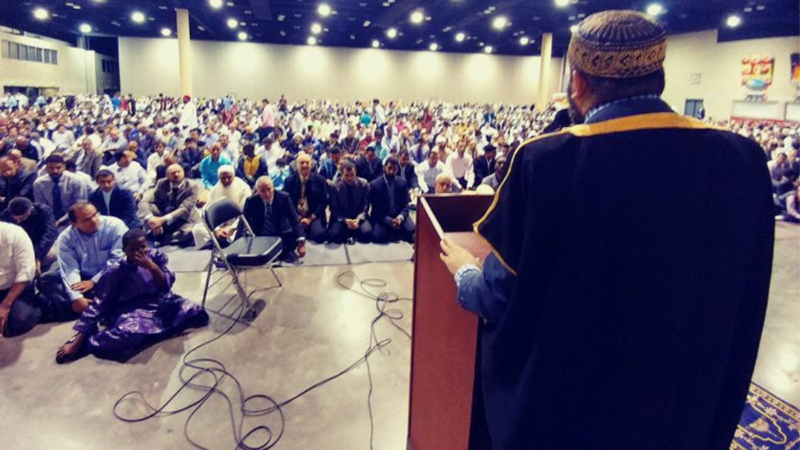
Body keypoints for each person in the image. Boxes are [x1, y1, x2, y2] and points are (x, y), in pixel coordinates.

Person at [438, 11, 774, 450]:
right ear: (661, 79)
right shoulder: (742, 159)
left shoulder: (548, 162)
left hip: (577, 412)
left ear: (577, 83)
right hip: (682, 404)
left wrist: (465, 274)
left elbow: (502, 300)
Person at [55, 229, 209, 364]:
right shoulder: (115, 271)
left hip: (159, 302)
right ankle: (89, 341)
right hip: (131, 310)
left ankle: (151, 334)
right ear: (124, 250)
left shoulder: (156, 257)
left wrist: (152, 267)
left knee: (195, 311)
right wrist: (78, 340)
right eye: (132, 249)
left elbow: (166, 285)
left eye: (142, 247)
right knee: (127, 333)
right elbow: (99, 304)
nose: (139, 253)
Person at [37, 202, 128, 322]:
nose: (94, 220)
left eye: (95, 215)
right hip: (83, 276)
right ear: (74, 224)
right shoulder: (65, 238)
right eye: (87, 219)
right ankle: (82, 305)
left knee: (121, 282)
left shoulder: (115, 225)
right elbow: (70, 268)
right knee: (45, 279)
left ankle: (72, 308)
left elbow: (118, 259)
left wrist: (93, 281)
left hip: (109, 274)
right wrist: (76, 297)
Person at [241, 176, 306, 261]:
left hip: (281, 234)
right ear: (257, 191)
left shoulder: (284, 197)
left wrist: (301, 242)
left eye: (269, 189)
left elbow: (294, 219)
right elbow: (243, 222)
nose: (267, 194)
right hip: (261, 236)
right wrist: (238, 243)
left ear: (273, 187)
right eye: (262, 191)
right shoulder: (251, 202)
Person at [139, 164, 201, 247]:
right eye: (172, 173)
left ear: (183, 172)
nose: (176, 174)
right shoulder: (162, 183)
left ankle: (163, 235)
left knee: (187, 233)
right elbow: (145, 201)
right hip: (164, 214)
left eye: (179, 172)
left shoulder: (192, 186)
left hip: (184, 218)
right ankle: (159, 230)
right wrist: (151, 218)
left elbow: (184, 209)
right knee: (149, 208)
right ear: (167, 176)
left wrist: (162, 220)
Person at [192, 165, 250, 249]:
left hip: (237, 224)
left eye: (229, 177)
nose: (226, 180)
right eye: (223, 178)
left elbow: (245, 213)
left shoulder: (244, 188)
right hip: (219, 225)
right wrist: (217, 230)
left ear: (234, 175)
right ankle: (220, 240)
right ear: (219, 178)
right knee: (197, 229)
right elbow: (207, 212)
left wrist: (232, 228)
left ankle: (222, 242)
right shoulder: (214, 190)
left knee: (240, 233)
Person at [0, 221, 39, 337]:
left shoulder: (16, 234)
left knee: (18, 321)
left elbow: (25, 274)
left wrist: (5, 306)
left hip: (16, 287)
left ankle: (40, 303)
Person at [33, 153, 90, 230]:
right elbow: (41, 206)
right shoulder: (39, 183)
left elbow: (80, 204)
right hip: (49, 220)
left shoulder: (76, 181)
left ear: (64, 166)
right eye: (51, 168)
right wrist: (51, 222)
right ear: (46, 168)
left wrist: (60, 221)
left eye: (58, 167)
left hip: (73, 219)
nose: (55, 171)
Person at [1, 197, 58, 273]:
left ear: (30, 210)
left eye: (21, 218)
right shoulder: (6, 214)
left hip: (41, 244)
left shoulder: (44, 211)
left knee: (50, 256)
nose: (18, 221)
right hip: (18, 245)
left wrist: (37, 256)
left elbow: (49, 234)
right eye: (15, 219)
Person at [283, 154, 329, 243]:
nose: (304, 165)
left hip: (314, 215)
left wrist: (310, 218)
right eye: (301, 163)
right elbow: (287, 202)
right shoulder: (289, 181)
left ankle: (306, 229)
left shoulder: (320, 180)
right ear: (296, 165)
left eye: (307, 163)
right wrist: (297, 217)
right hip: (296, 215)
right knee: (287, 235)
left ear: (311, 165)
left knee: (319, 235)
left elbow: (323, 202)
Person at [368, 157, 414, 243]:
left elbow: (405, 206)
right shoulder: (375, 185)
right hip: (382, 216)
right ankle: (393, 231)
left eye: (395, 169)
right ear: (384, 168)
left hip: (398, 215)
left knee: (412, 231)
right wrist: (389, 221)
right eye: (389, 168)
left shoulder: (402, 183)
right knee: (378, 236)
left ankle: (394, 230)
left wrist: (400, 218)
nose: (392, 171)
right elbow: (376, 209)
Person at [328, 160, 371, 244]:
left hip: (358, 216)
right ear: (341, 174)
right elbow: (333, 208)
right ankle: (349, 231)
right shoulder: (334, 186)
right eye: (346, 175)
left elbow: (365, 206)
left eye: (352, 175)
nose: (350, 178)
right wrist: (344, 220)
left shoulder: (364, 184)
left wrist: (358, 220)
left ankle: (352, 231)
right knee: (334, 235)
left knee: (367, 234)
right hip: (341, 217)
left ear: (356, 173)